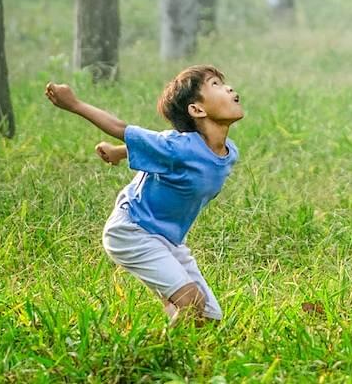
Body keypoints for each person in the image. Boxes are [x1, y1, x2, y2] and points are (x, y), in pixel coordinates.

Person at [45, 66, 243, 321]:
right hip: (133, 230)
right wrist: (74, 104)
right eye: (215, 84)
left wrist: (118, 152)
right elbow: (122, 128)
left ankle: (174, 322)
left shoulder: (229, 152)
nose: (228, 88)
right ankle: (152, 355)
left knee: (208, 317)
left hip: (169, 240)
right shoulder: (178, 146)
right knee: (192, 304)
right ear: (197, 110)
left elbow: (160, 151)